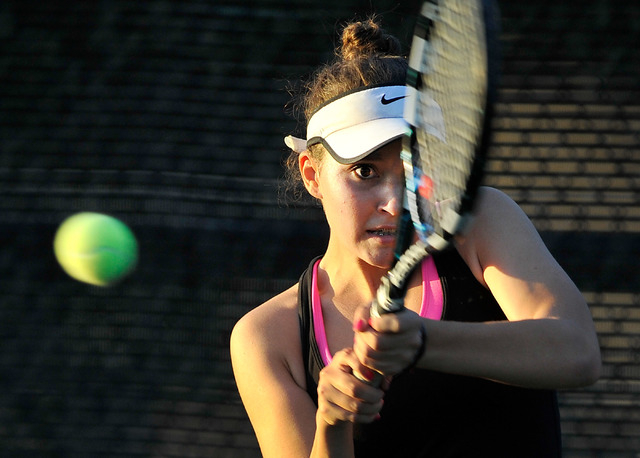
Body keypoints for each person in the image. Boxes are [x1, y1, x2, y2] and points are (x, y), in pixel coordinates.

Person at [230, 17, 601, 458]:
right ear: (312, 175)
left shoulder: (479, 221)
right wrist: (332, 424)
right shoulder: (266, 337)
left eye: (416, 170)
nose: (396, 201)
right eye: (365, 171)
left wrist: (424, 341)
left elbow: (577, 351)